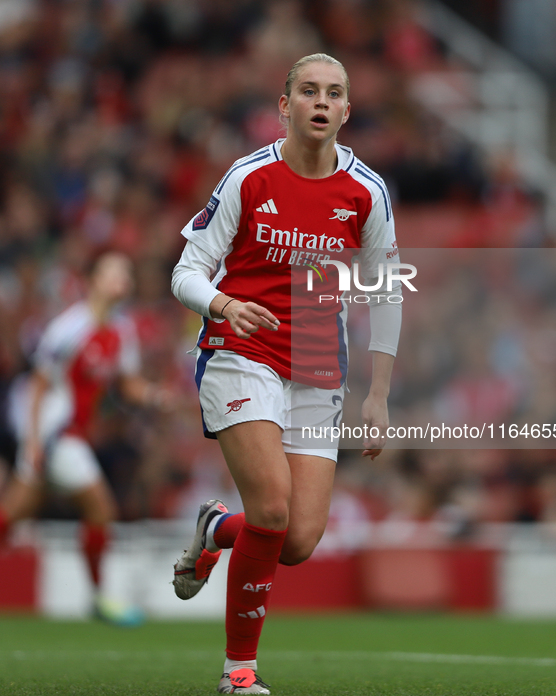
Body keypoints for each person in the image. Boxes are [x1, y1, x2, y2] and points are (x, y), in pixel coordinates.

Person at [171, 53, 402, 694]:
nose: (320, 102)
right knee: (271, 507)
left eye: (333, 93)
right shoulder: (249, 178)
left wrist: (379, 395)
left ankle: (217, 529)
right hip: (241, 350)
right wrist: (222, 302)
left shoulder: (367, 193)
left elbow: (385, 294)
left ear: (347, 111)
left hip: (318, 367)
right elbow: (184, 271)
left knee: (295, 539)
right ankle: (238, 671)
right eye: (307, 91)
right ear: (285, 105)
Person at [0, 251, 171, 625]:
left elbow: (126, 386)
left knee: (13, 513)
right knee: (101, 508)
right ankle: (99, 599)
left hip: (71, 435)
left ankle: (98, 598)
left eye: (125, 271)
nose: (121, 277)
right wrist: (32, 440)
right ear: (93, 279)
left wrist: (156, 395)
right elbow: (39, 386)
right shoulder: (70, 327)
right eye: (112, 271)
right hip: (55, 433)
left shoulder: (122, 331)